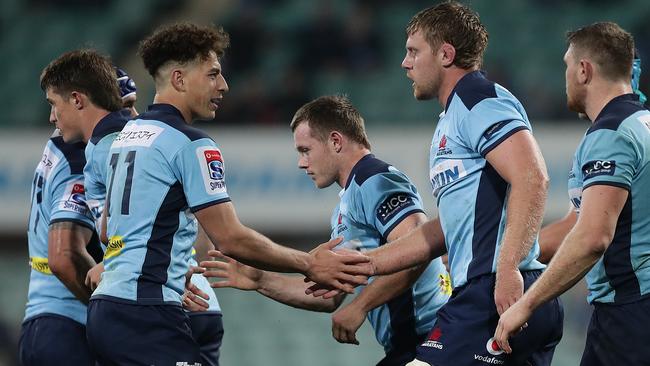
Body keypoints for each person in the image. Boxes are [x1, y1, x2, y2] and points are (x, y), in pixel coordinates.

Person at [85, 22, 372, 365]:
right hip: (147, 313)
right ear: (179, 79)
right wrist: (308, 263)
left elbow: (108, 229)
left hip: (106, 310)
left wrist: (169, 265)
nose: (223, 85)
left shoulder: (127, 138)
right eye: (212, 74)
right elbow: (231, 238)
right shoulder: (191, 144)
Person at [308, 3, 564, 365]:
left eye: (414, 51)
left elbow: (532, 177)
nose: (405, 63)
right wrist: (361, 264)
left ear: (445, 54)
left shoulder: (477, 98)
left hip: (492, 292)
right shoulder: (454, 115)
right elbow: (441, 233)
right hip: (496, 292)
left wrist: (507, 269)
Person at [202, 95, 451, 366]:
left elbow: (417, 247)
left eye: (305, 150)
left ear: (335, 141)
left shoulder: (374, 180)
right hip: (409, 347)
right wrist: (260, 279)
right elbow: (332, 295)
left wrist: (360, 306)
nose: (301, 162)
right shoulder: (347, 204)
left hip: (433, 340)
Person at [494, 22, 650, 366]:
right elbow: (578, 224)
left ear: (584, 70)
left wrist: (527, 303)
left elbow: (593, 237)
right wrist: (505, 256)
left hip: (631, 315)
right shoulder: (641, 123)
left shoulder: (610, 135)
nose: (565, 76)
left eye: (567, 66)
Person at [19, 52, 116, 365]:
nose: (51, 118)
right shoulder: (81, 156)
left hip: (44, 321)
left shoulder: (59, 149)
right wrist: (117, 312)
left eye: (52, 104)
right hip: (68, 325)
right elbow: (63, 257)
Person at [538, 51, 647, 264]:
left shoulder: (613, 136)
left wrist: (498, 262)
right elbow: (575, 225)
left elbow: (587, 236)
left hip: (634, 294)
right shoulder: (637, 126)